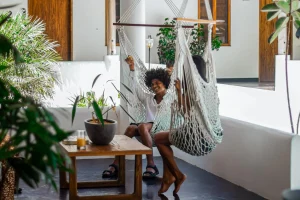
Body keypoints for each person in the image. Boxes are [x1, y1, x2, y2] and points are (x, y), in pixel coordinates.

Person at [102, 55, 171, 179]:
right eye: (152, 84)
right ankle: (115, 164)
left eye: (158, 83)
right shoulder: (149, 98)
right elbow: (135, 89)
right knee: (130, 129)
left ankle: (151, 164)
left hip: (163, 127)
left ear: (165, 83)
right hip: (147, 128)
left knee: (142, 126)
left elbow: (183, 99)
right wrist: (132, 68)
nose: (154, 86)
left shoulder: (171, 98)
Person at [154, 55, 208, 195]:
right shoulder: (207, 87)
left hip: (196, 135)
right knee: (165, 136)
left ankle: (177, 175)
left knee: (158, 138)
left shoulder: (194, 89)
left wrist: (179, 92)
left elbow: (185, 112)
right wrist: (179, 92)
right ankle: (168, 177)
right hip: (208, 134)